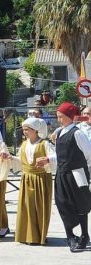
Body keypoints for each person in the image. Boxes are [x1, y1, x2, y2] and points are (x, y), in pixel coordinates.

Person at [1, 117, 54, 245]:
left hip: (41, 179)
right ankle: (29, 235)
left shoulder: (45, 144)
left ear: (35, 130)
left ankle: (40, 235)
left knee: (40, 207)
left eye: (27, 129)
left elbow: (54, 158)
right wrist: (10, 157)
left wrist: (47, 160)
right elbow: (21, 161)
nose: (24, 132)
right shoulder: (24, 145)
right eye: (24, 129)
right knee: (27, 207)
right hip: (27, 178)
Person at [49, 102, 91, 252]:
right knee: (62, 204)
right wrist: (48, 160)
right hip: (62, 174)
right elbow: (59, 154)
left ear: (69, 117)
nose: (59, 119)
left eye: (61, 116)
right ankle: (70, 236)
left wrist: (84, 171)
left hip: (77, 174)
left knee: (81, 204)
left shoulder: (78, 133)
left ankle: (85, 235)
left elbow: (88, 154)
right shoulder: (60, 133)